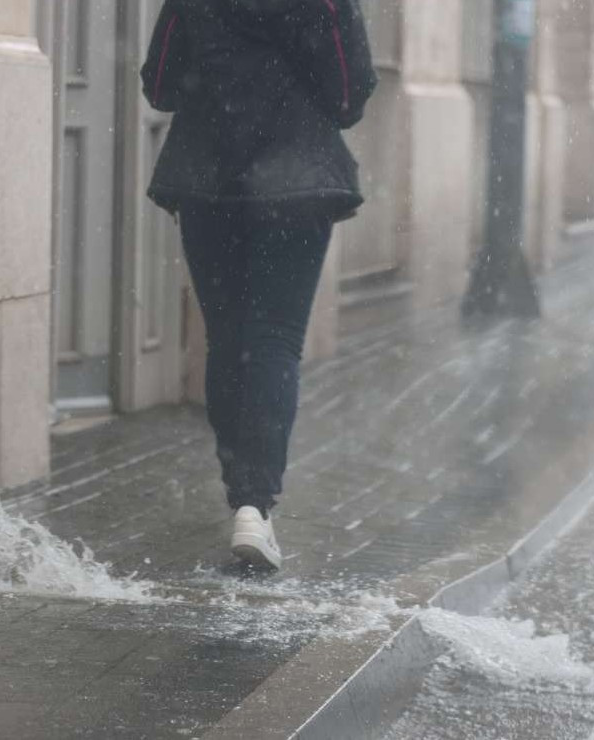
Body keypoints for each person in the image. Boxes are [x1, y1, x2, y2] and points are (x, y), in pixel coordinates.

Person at [140, 0, 376, 570]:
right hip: (294, 181)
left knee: (227, 339)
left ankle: (239, 496)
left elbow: (161, 85)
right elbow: (349, 96)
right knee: (274, 341)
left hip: (207, 178)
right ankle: (256, 504)